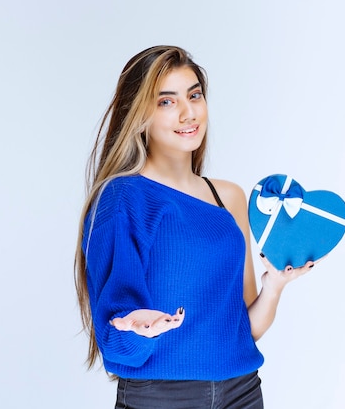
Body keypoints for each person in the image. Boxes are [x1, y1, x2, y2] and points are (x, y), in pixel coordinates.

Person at [74, 45, 314, 409]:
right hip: (161, 397)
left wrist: (274, 287)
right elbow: (115, 335)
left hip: (243, 392)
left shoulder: (229, 197)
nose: (188, 113)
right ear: (139, 116)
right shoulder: (123, 199)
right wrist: (137, 328)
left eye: (194, 95)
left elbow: (246, 329)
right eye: (166, 102)